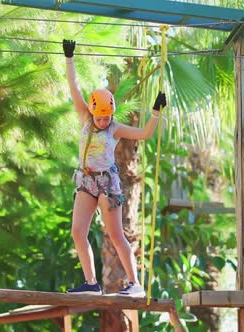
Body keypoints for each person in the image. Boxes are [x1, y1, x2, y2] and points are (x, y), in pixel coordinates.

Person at [62, 39, 167, 297]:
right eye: (99, 116)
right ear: (92, 111)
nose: (103, 120)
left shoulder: (115, 128)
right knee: (77, 232)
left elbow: (144, 133)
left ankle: (136, 285)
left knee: (116, 235)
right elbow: (73, 87)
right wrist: (69, 58)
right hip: (86, 182)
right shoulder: (86, 119)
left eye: (107, 117)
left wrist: (156, 111)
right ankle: (91, 283)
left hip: (108, 184)